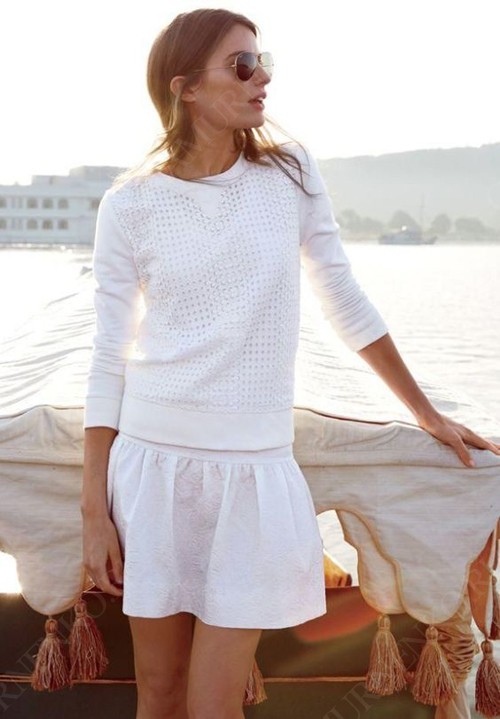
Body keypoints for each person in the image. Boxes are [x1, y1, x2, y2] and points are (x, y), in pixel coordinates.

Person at [80, 8, 500, 719]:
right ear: (185, 87)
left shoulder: (290, 173)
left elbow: (344, 298)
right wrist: (95, 510)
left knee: (213, 704)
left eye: (263, 61)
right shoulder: (131, 203)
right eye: (242, 65)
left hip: (253, 472)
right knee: (159, 691)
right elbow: (107, 354)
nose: (263, 78)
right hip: (153, 470)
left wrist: (425, 413)